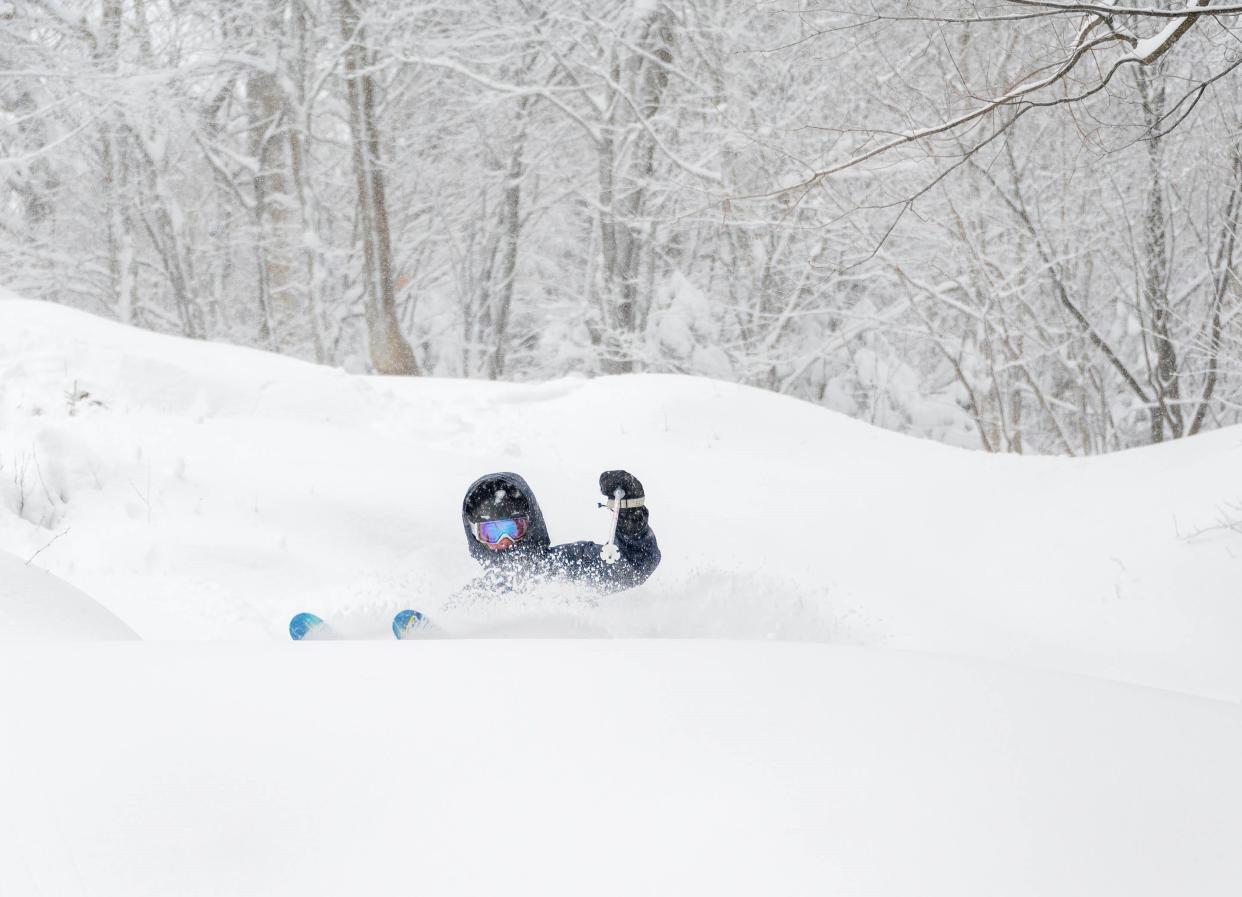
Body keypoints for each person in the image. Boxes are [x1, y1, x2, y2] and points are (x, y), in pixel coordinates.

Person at [459, 469, 660, 594]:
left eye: (514, 528)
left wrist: (631, 521)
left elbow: (634, 567)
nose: (505, 541)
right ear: (475, 537)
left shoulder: (570, 565)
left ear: (531, 525)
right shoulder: (477, 597)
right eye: (491, 533)